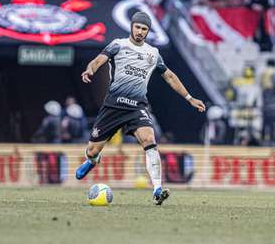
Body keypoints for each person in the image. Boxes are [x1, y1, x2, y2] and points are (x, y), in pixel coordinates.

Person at [75, 11, 206, 205]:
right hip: (113, 106)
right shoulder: (118, 45)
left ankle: (157, 189)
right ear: (131, 27)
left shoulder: (152, 53)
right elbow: (98, 60)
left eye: (144, 29)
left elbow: (169, 76)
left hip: (137, 107)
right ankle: (93, 161)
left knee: (149, 140)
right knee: (93, 150)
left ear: (148, 32)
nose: (140, 32)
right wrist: (90, 70)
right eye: (138, 27)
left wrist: (189, 98)